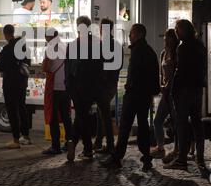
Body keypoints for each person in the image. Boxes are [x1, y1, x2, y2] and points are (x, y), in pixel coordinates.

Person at [100, 24, 160, 172]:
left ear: (139, 34)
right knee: (143, 127)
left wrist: (129, 88)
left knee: (125, 126)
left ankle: (117, 157)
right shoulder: (149, 51)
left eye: (132, 33)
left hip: (134, 95)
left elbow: (135, 74)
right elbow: (153, 74)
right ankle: (146, 158)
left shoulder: (138, 51)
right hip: (144, 95)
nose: (129, 36)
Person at [164, 20, 207, 172]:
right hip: (197, 89)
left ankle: (182, 159)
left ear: (183, 30)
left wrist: (173, 89)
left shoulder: (182, 47)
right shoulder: (200, 45)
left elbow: (180, 71)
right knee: (197, 124)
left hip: (184, 90)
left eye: (177, 28)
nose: (175, 31)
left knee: (182, 125)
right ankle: (200, 158)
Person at [65, 16, 103, 161]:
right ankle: (81, 147)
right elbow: (99, 67)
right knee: (82, 116)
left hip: (75, 87)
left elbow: (68, 68)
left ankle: (78, 145)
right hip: (89, 87)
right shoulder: (96, 44)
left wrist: (69, 85)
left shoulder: (74, 44)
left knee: (81, 116)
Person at [0, 24, 32, 149]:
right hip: (22, 82)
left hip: (10, 83)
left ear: (5, 34)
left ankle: (16, 139)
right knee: (22, 108)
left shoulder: (7, 49)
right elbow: (28, 62)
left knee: (12, 110)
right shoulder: (23, 46)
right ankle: (26, 136)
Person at [41, 28, 74, 157]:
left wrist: (44, 63)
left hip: (54, 88)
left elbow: (46, 67)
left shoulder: (50, 48)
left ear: (48, 37)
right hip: (66, 87)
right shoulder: (65, 46)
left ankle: (55, 146)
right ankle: (69, 143)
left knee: (53, 118)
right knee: (66, 117)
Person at [94, 18, 123, 154]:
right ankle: (99, 142)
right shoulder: (116, 44)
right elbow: (119, 65)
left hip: (103, 84)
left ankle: (110, 145)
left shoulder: (103, 45)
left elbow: (100, 65)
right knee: (101, 113)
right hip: (112, 83)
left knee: (104, 114)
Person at [151, 29, 179, 160]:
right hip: (165, 92)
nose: (166, 40)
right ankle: (160, 147)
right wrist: (160, 86)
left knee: (176, 122)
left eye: (169, 38)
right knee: (158, 121)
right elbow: (161, 73)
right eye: (165, 38)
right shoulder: (163, 53)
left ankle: (178, 149)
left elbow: (176, 73)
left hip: (174, 92)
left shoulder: (177, 53)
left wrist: (169, 86)